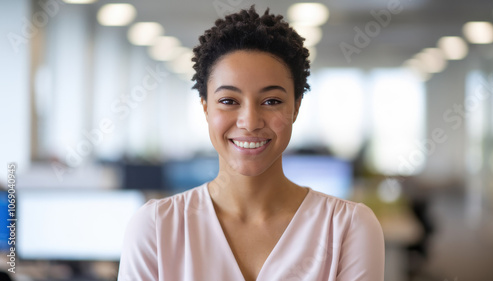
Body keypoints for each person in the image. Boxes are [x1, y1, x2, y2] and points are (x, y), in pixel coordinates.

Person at [118, 5, 384, 281]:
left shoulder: (348, 227)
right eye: (229, 101)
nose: (250, 121)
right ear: (206, 108)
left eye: (271, 101)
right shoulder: (156, 227)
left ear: (295, 108)